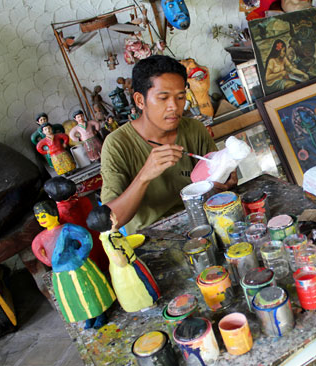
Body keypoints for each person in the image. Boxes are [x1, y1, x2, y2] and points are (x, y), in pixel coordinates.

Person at [100, 55, 237, 234]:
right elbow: (112, 221)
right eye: (163, 98)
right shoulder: (117, 144)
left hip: (203, 226)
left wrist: (226, 178)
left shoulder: (194, 129)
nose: (174, 106)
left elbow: (216, 179)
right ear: (140, 101)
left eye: (180, 97)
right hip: (154, 238)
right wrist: (144, 176)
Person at [31, 200, 115, 329]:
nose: (40, 219)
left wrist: (81, 255)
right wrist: (48, 261)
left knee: (89, 291)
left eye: (43, 215)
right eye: (38, 217)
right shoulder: (41, 237)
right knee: (73, 296)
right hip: (61, 273)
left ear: (53, 213)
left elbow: (85, 237)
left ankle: (100, 314)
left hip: (78, 268)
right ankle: (88, 316)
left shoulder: (67, 229)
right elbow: (36, 248)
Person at [87, 205, 160, 313]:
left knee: (143, 283)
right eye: (112, 214)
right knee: (139, 287)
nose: (115, 215)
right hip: (128, 269)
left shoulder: (112, 235)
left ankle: (147, 301)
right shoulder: (110, 241)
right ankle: (145, 304)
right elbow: (121, 261)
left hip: (131, 262)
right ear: (110, 219)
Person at [43, 176, 109, 273]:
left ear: (51, 196)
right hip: (98, 239)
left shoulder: (61, 215)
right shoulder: (84, 200)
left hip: (84, 247)